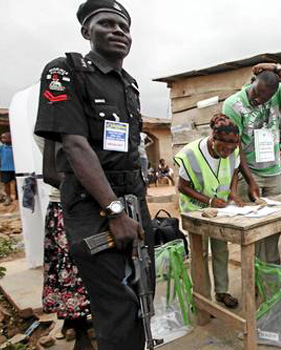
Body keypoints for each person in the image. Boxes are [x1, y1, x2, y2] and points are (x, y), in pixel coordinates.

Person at [33, 1, 155, 348]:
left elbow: (129, 152)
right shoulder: (65, 71)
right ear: (87, 31)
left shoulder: (129, 85)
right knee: (117, 309)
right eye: (107, 23)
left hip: (134, 202)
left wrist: (135, 208)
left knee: (142, 299)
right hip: (95, 207)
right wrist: (114, 211)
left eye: (124, 27)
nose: (119, 31)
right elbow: (74, 145)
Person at [223, 62, 281, 264]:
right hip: (249, 173)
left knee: (273, 227)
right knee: (252, 229)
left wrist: (278, 68)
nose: (259, 99)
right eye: (257, 94)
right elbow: (237, 147)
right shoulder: (233, 104)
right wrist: (250, 180)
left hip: (273, 174)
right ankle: (253, 273)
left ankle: (270, 271)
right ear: (253, 82)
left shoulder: (276, 95)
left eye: (265, 98)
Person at [174, 115, 242, 309]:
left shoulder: (232, 151)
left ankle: (222, 292)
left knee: (221, 250)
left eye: (233, 146)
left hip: (220, 210)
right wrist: (209, 201)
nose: (229, 151)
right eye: (225, 146)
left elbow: (235, 173)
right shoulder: (190, 154)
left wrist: (233, 193)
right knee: (200, 254)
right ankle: (201, 298)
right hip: (196, 211)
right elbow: (182, 187)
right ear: (214, 139)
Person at [41, 139, 93, 350]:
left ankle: (73, 322)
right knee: (71, 275)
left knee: (86, 271)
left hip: (86, 202)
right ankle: (81, 336)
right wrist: (92, 189)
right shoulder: (55, 120)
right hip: (68, 207)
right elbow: (51, 174)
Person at [0, 132, 16, 205]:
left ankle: (17, 196)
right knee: (6, 184)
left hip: (15, 169)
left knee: (16, 183)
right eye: (1, 138)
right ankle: (8, 197)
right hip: (4, 169)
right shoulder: (1, 147)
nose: (2, 139)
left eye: (4, 138)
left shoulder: (15, 147)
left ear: (10, 138)